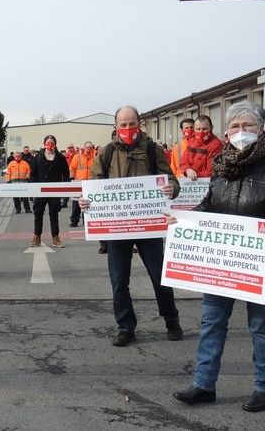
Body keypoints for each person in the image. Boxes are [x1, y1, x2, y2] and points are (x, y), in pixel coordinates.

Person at [173, 101, 265, 413]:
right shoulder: (221, 164)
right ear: (226, 131)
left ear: (261, 128)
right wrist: (185, 222)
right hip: (222, 262)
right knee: (211, 323)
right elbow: (210, 205)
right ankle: (204, 384)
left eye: (247, 125)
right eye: (235, 126)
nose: (240, 131)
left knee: (262, 326)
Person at [79, 105, 183, 347]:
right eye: (123, 124)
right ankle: (125, 327)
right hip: (117, 228)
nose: (128, 128)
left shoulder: (151, 148)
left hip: (148, 225)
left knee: (160, 277)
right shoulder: (105, 153)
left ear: (140, 123)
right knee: (119, 281)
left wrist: (171, 188)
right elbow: (95, 184)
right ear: (116, 127)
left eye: (132, 123)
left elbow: (170, 178)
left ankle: (171, 320)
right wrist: (87, 201)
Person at [29, 135, 70, 248]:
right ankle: (36, 236)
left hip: (55, 192)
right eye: (48, 142)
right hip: (39, 191)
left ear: (55, 144)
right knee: (38, 213)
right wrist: (33, 190)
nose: (50, 144)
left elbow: (66, 174)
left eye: (52, 142)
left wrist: (65, 190)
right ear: (44, 144)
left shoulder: (60, 157)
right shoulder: (37, 157)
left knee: (54, 213)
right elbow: (33, 174)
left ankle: (55, 237)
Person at [179, 115, 223, 180]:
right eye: (198, 129)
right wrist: (188, 169)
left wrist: (195, 175)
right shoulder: (191, 141)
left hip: (207, 183)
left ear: (211, 128)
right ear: (194, 129)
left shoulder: (216, 145)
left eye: (204, 129)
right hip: (189, 182)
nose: (201, 132)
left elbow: (212, 171)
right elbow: (184, 161)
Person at [68, 141, 95, 228]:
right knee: (76, 204)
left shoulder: (95, 157)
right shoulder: (77, 157)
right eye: (87, 147)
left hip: (90, 183)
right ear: (83, 148)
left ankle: (86, 221)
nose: (89, 149)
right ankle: (74, 221)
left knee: (88, 203)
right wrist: (72, 178)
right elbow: (72, 168)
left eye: (90, 147)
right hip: (78, 183)